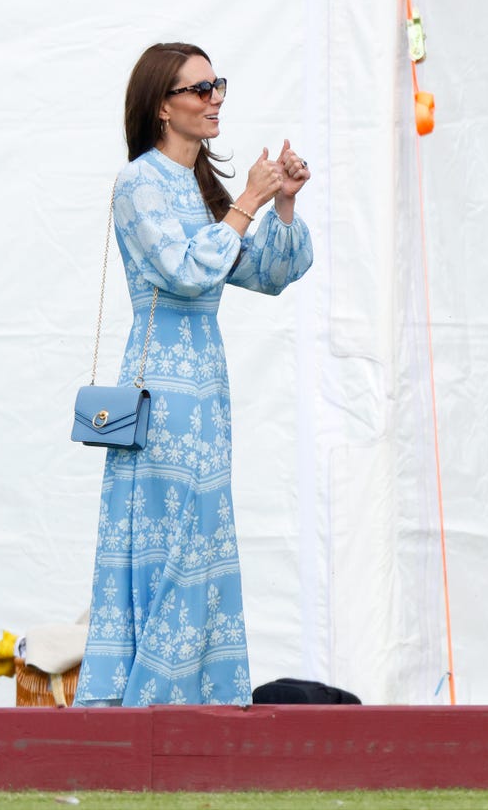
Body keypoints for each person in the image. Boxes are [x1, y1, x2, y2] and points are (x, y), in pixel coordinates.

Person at [73, 42, 314, 707]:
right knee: (169, 540)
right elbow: (183, 270)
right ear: (162, 106)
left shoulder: (199, 189)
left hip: (207, 390)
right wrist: (246, 203)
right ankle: (144, 701)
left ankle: (195, 704)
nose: (214, 99)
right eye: (199, 88)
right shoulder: (139, 183)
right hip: (158, 393)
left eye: (217, 85)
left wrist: (282, 204)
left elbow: (265, 273)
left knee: (200, 539)